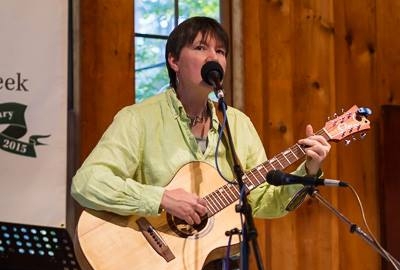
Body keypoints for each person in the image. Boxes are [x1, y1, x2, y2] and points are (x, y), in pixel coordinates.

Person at [71, 16, 331, 269]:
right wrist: (161, 198)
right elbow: (87, 182)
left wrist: (308, 170)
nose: (213, 57)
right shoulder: (138, 119)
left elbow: (264, 201)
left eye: (220, 51)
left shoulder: (237, 124)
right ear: (174, 60)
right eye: (200, 47)